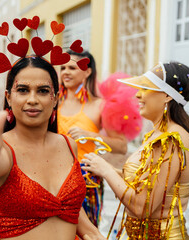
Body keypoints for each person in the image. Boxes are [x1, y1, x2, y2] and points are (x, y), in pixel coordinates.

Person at [0, 57, 105, 240]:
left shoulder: (68, 145)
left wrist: (95, 234)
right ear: (9, 97)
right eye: (23, 90)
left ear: (55, 99)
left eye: (43, 91)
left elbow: (72, 212)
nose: (32, 99)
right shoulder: (2, 150)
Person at [82, 62, 189, 239]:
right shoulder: (159, 133)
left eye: (145, 88)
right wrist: (100, 169)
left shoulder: (171, 140)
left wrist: (106, 170)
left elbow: (141, 206)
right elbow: (144, 183)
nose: (137, 95)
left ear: (167, 95)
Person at [58, 50, 141, 226]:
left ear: (87, 71)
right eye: (63, 67)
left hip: (86, 182)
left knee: (86, 233)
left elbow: (121, 146)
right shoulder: (52, 103)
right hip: (53, 178)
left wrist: (91, 135)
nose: (66, 72)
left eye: (72, 67)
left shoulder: (100, 106)